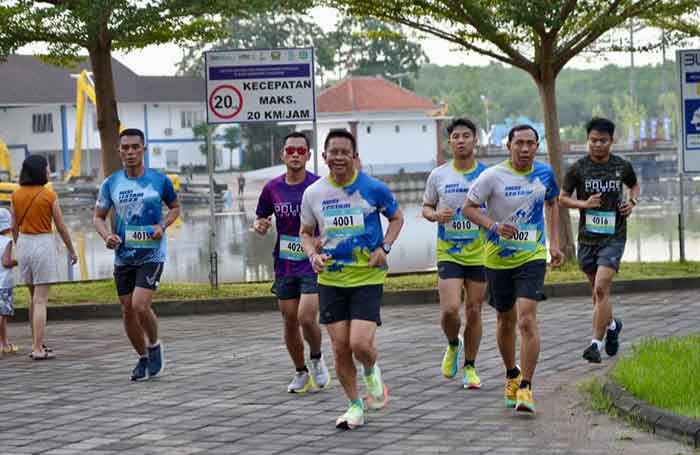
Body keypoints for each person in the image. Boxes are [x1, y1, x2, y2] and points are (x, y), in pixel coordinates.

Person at [300, 129, 404, 430]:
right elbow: (306, 233)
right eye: (333, 152)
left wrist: (385, 247)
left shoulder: (373, 188)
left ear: (355, 156)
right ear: (324, 157)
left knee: (359, 344)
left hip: (367, 276)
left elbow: (397, 218)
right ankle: (354, 405)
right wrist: (312, 255)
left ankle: (372, 371)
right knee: (340, 347)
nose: (339, 157)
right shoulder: (314, 193)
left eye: (345, 152)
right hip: (331, 279)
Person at [463, 124, 564, 414]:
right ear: (508, 146)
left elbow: (552, 202)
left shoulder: (544, 173)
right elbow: (469, 208)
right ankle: (511, 374)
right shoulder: (492, 176)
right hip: (497, 259)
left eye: (530, 143)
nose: (524, 148)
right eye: (518, 143)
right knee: (505, 321)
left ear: (537, 146)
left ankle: (527, 388)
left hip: (531, 257)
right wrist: (493, 226)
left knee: (527, 321)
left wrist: (554, 243)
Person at [94, 128, 180, 381]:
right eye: (125, 148)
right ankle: (142, 357)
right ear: (119, 151)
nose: (130, 152)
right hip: (123, 256)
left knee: (140, 305)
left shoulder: (159, 180)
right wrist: (106, 236)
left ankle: (153, 344)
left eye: (135, 147)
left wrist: (162, 226)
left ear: (143, 149)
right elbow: (98, 217)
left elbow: (175, 208)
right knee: (127, 310)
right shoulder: (111, 183)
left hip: (152, 254)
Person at [253, 132, 330, 393]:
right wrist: (260, 225)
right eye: (290, 150)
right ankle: (300, 371)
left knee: (307, 317)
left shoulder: (320, 186)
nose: (295, 154)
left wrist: (320, 240)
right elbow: (261, 216)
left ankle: (317, 359)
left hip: (312, 261)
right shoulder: (272, 188)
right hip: (285, 262)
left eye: (300, 150)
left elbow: (331, 221)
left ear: (308, 156)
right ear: (282, 155)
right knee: (289, 320)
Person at [559, 117, 640, 364]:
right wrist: (583, 203)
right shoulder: (577, 168)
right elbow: (563, 198)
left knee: (602, 288)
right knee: (597, 295)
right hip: (587, 239)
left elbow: (634, 186)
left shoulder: (621, 166)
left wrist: (632, 202)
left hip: (614, 237)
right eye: (593, 140)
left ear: (611, 142)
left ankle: (595, 344)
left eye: (603, 141)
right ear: (587, 141)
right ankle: (613, 326)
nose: (597, 145)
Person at [422, 118, 488, 388]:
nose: (461, 140)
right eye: (456, 136)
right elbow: (425, 208)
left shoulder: (488, 175)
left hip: (481, 252)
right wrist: (436, 215)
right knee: (450, 310)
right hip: (449, 251)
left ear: (475, 141)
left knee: (474, 311)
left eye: (466, 136)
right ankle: (452, 343)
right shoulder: (438, 175)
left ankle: (470, 367)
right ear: (449, 142)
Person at [11, 154, 77, 360]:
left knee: (33, 299)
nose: (49, 171)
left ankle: (36, 343)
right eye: (47, 168)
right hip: (42, 244)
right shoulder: (49, 196)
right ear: (40, 171)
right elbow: (61, 227)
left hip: (23, 243)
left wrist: (19, 245)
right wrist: (71, 249)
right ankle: (38, 348)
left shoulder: (16, 195)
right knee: (40, 300)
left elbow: (13, 227)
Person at [0, 208, 19, 355]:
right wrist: (18, 261)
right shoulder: (7, 241)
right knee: (2, 316)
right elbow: (6, 262)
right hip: (3, 285)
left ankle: (5, 344)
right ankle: (3, 345)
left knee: (3, 318)